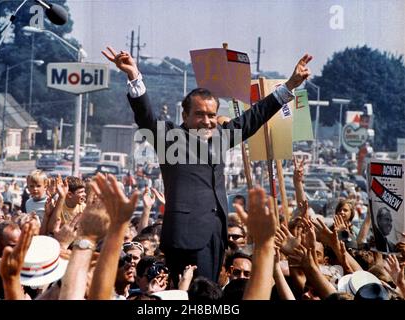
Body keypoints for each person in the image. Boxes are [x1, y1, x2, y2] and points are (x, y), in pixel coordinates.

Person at [102, 47, 312, 284]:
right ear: (185, 116)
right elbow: (146, 117)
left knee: (210, 295)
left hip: (216, 235)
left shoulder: (221, 136)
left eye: (212, 115)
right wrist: (134, 75)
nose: (208, 121)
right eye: (200, 114)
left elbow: (255, 117)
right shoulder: (170, 137)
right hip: (184, 237)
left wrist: (290, 85)